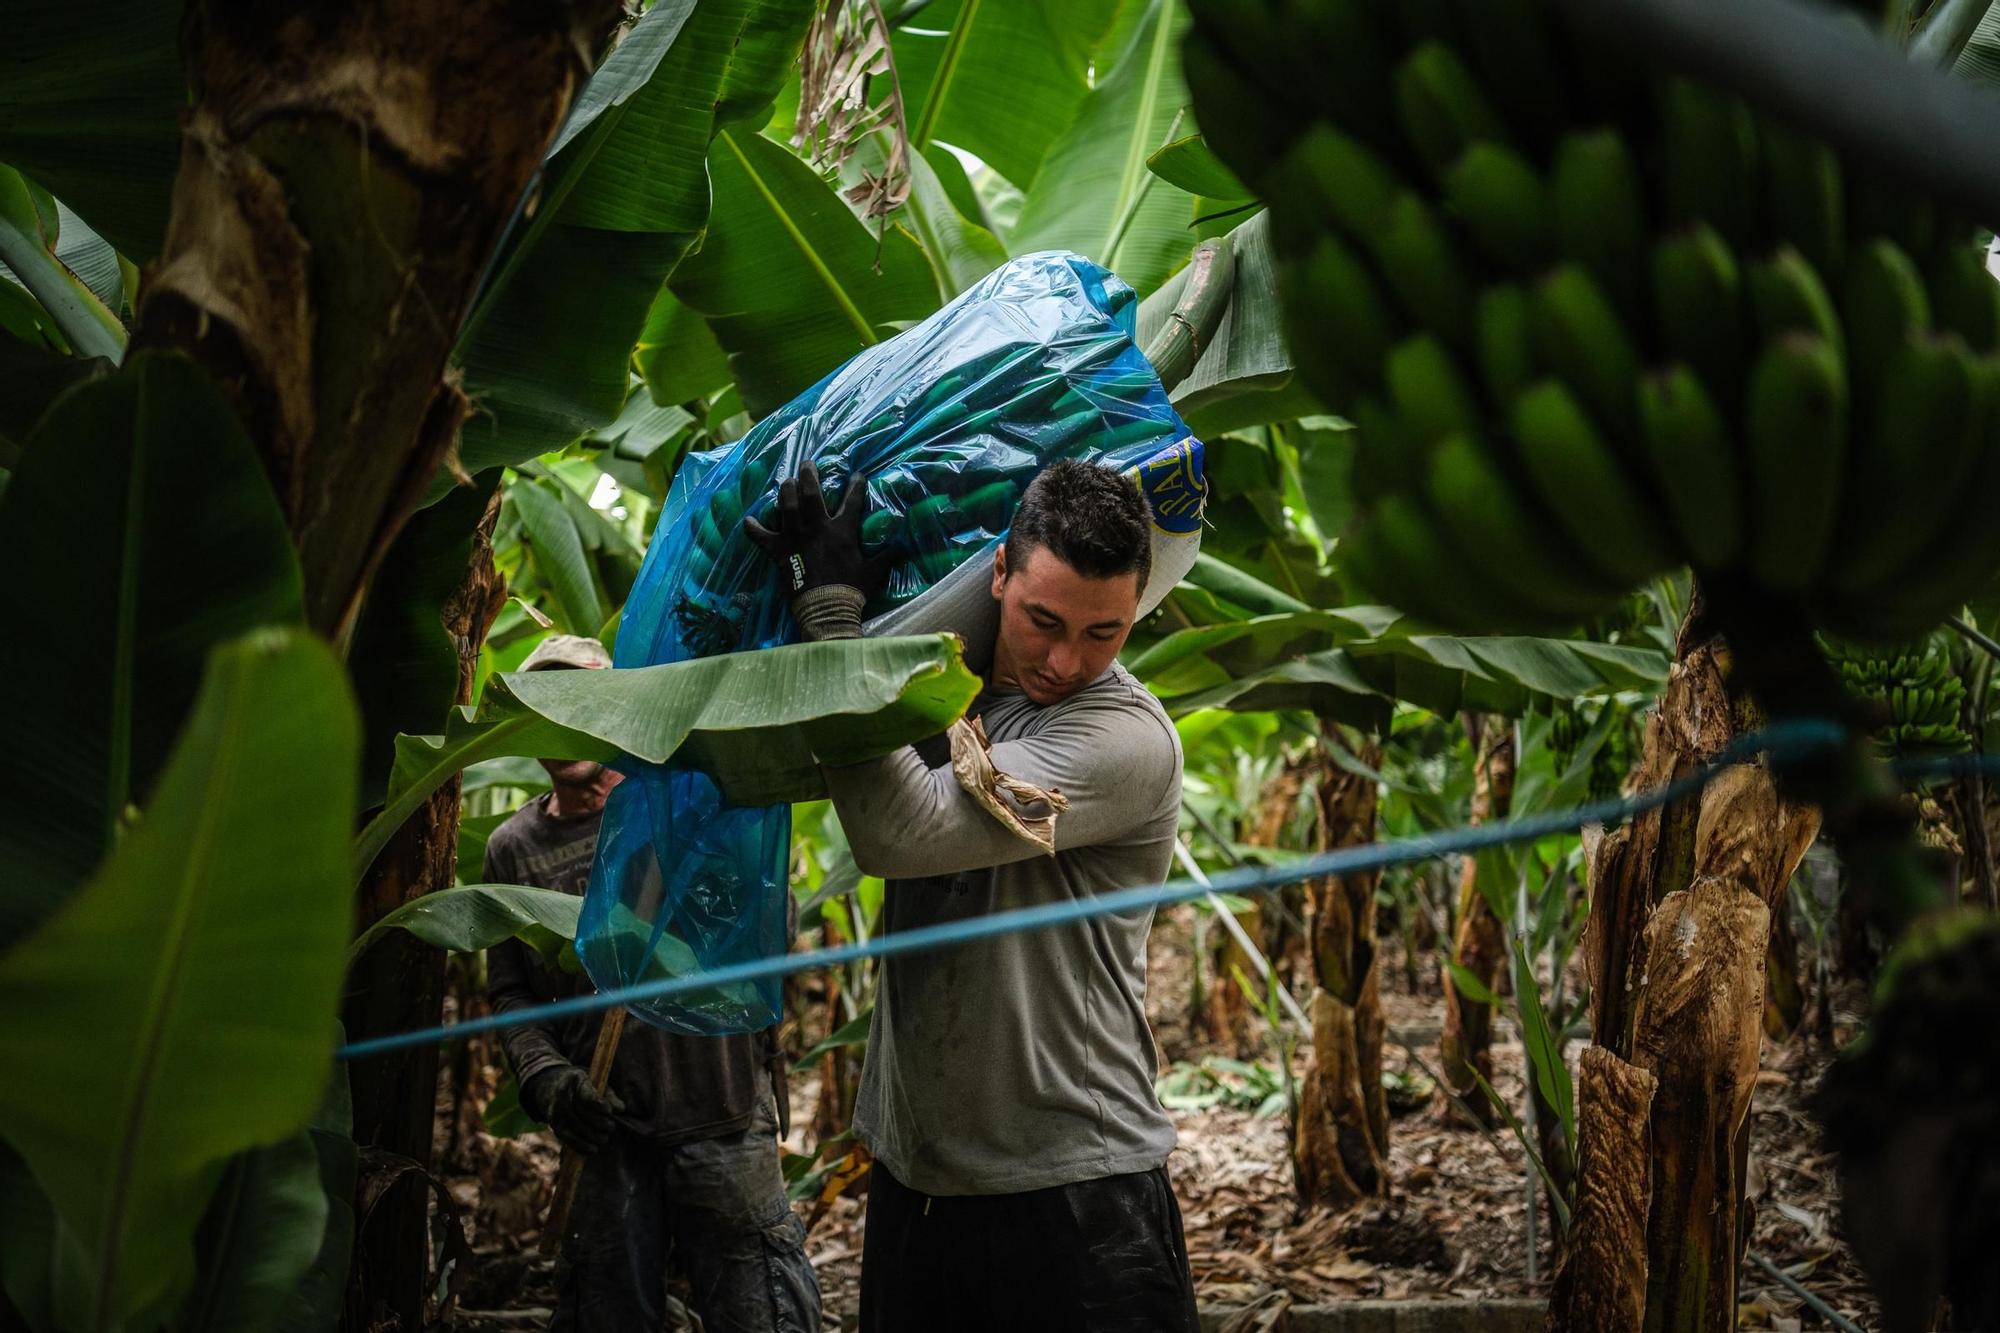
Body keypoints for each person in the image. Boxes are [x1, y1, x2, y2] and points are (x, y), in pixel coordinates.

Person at [745, 460, 1200, 1332]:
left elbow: (898, 831)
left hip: (1077, 1188)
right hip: (919, 1179)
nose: (1067, 661)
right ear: (998, 574)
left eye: (1105, 632)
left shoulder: (1123, 740)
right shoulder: (955, 693)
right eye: (1043, 621)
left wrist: (835, 618)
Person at [483, 633, 820, 1333]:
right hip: (606, 1133)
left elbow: (774, 926)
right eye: (551, 703)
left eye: (587, 700)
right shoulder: (513, 848)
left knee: (761, 1313)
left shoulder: (689, 801)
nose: (569, 720)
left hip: (722, 1117)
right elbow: (511, 993)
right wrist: (548, 1079)